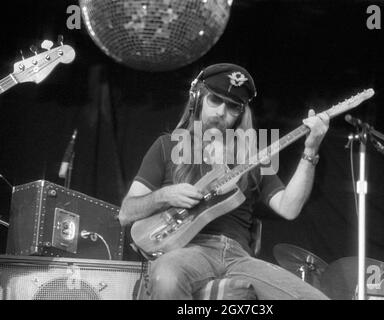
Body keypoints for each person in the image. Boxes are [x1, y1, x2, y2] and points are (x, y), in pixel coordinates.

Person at [119, 63, 330, 300]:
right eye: (215, 100)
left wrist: (310, 151)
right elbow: (126, 213)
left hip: (238, 256)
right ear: (197, 98)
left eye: (233, 107)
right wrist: (164, 195)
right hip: (187, 251)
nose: (221, 112)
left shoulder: (252, 157)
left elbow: (289, 208)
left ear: (241, 114)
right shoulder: (167, 146)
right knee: (166, 275)